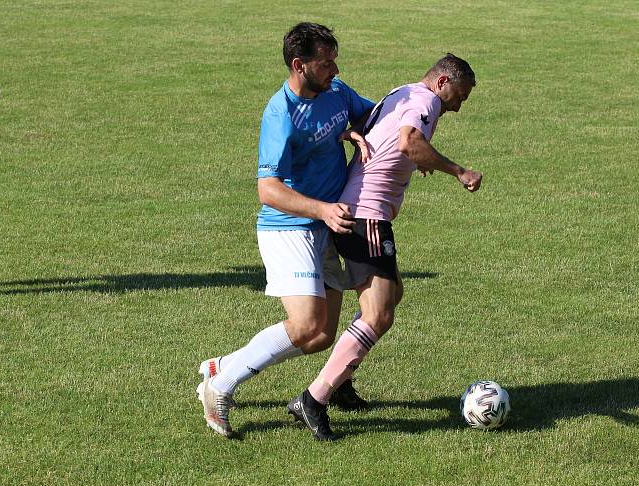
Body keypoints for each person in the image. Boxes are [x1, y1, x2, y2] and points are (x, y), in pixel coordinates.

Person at [287, 53, 483, 440]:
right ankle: (314, 398)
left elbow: (383, 133)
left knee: (392, 295)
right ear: (443, 82)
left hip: (362, 212)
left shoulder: (403, 92)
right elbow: (409, 142)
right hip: (366, 217)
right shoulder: (426, 101)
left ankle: (340, 381)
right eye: (459, 96)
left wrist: (405, 156)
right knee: (378, 315)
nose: (459, 107)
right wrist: (457, 170)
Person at [198, 22, 375, 438]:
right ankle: (220, 386)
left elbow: (368, 114)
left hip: (326, 224)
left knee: (321, 336)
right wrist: (323, 210)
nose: (335, 67)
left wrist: (354, 130)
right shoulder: (280, 114)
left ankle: (221, 365)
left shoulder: (336, 92)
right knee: (305, 326)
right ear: (300, 65)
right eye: (326, 61)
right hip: (289, 226)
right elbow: (268, 189)